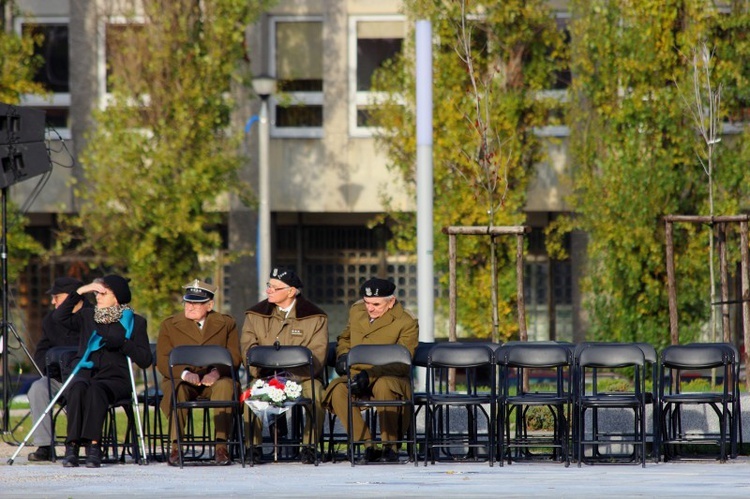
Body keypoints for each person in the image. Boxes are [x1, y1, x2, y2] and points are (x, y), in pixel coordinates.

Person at [53, 275, 152, 468]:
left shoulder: (135, 322)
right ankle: (72, 447)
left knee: (96, 390)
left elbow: (145, 359)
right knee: (78, 388)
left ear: (117, 297)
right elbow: (59, 317)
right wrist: (82, 290)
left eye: (103, 292)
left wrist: (124, 344)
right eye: (96, 292)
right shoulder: (88, 316)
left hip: (115, 378)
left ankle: (94, 447)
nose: (97, 296)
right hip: (87, 372)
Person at [322, 277, 418, 463]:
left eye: (376, 304)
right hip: (358, 373)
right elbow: (345, 338)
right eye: (367, 302)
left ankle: (390, 447)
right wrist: (343, 356)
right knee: (337, 389)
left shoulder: (406, 321)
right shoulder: (357, 311)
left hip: (391, 376)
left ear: (390, 302)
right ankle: (367, 443)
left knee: (384, 386)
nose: (370, 308)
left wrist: (371, 374)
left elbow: (403, 360)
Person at [241, 266, 328, 464]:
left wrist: (288, 378)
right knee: (249, 393)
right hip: (264, 375)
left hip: (302, 377)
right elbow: (248, 349)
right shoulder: (255, 315)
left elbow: (318, 354)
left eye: (274, 287)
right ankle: (252, 447)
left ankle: (309, 446)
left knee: (317, 394)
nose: (268, 290)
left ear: (291, 291)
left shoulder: (315, 317)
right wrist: (267, 374)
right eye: (269, 286)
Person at [156, 279, 241, 466]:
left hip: (215, 380)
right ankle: (176, 446)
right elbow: (163, 360)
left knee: (226, 385)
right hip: (184, 379)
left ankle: (221, 446)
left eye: (196, 303)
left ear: (209, 305)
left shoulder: (226, 323)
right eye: (188, 301)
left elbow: (234, 356)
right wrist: (185, 373)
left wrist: (216, 373)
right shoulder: (170, 325)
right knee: (177, 389)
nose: (190, 306)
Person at [26, 277, 90, 462]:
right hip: (58, 377)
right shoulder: (50, 321)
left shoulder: (91, 315)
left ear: (73, 297)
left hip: (84, 377)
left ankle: (83, 443)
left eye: (57, 297)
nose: (53, 301)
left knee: (81, 390)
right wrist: (49, 369)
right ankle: (45, 444)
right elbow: (42, 351)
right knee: (38, 389)